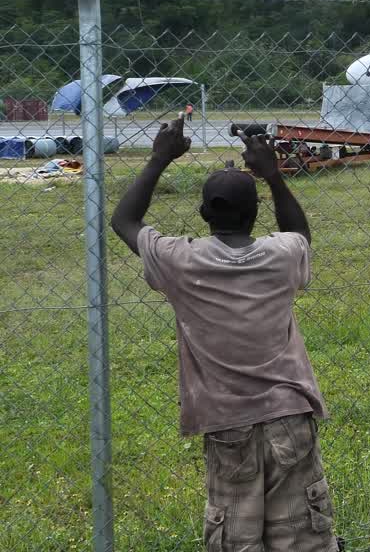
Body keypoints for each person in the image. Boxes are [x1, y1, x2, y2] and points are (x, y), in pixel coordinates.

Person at [110, 116, 337, 552]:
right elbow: (299, 234)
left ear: (203, 214)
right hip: (290, 415)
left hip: (226, 423)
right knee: (304, 537)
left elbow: (124, 220)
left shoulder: (181, 261)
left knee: (235, 537)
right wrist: (272, 174)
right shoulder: (281, 255)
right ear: (256, 216)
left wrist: (159, 158)